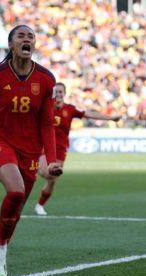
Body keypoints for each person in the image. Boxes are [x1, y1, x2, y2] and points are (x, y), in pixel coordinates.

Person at [0, 25, 62, 276]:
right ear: (11, 44)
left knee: (14, 213)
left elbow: (46, 124)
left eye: (31, 36)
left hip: (30, 149)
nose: (27, 39)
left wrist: (52, 159)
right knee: (17, 192)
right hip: (0, 142)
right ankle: (1, 246)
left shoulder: (46, 79)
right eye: (21, 36)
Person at [34, 82, 121, 216]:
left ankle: (40, 205)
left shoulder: (70, 109)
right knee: (46, 172)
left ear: (64, 93)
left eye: (60, 92)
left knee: (52, 180)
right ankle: (32, 168)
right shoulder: (45, 107)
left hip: (61, 149)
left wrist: (110, 118)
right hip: (45, 146)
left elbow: (89, 114)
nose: (58, 94)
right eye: (56, 92)